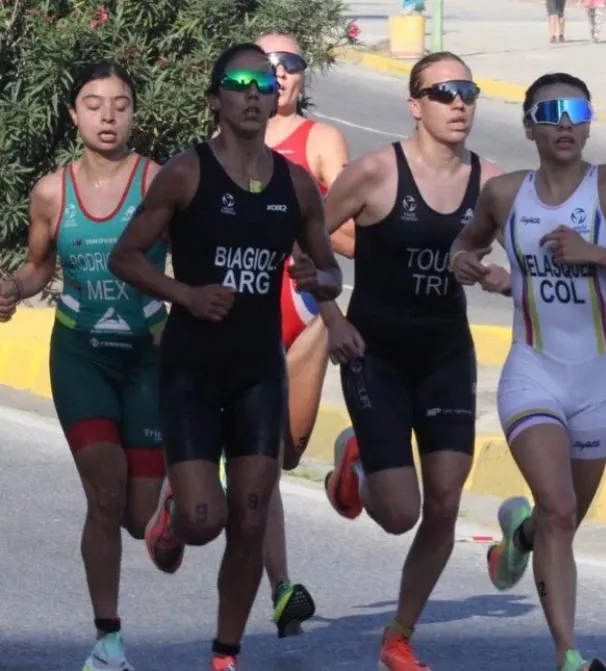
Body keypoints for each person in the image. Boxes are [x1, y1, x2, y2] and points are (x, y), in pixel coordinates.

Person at [107, 42, 343, 671]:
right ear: (216, 98)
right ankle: (175, 516)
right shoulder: (187, 173)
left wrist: (321, 282)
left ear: (275, 97)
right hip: (190, 365)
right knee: (206, 520)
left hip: (257, 370)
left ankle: (225, 653)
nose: (253, 93)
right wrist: (185, 293)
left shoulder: (295, 185)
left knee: (250, 516)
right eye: (238, 83)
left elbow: (329, 270)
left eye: (264, 83)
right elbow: (124, 256)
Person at [450, 72, 606, 671]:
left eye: (576, 110)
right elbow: (464, 246)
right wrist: (467, 265)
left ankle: (517, 539)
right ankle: (569, 655)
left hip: (598, 382)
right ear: (529, 125)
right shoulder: (504, 195)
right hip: (533, 373)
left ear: (587, 121)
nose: (564, 123)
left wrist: (595, 253)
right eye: (550, 112)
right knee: (558, 507)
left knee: (562, 521)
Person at [315, 51, 504, 671]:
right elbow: (304, 242)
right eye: (443, 92)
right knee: (401, 514)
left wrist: (499, 276)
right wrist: (334, 318)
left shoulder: (493, 184)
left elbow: (529, 263)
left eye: (467, 92)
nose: (458, 103)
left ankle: (399, 633)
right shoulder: (374, 173)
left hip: (447, 352)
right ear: (415, 104)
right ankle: (358, 462)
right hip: (376, 354)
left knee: (445, 502)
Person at [0, 60, 167, 671]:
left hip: (149, 360)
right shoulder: (51, 190)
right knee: (105, 492)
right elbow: (39, 266)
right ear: (73, 115)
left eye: (120, 104)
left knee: (139, 520)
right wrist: (12, 289)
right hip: (80, 357)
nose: (107, 116)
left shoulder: (160, 184)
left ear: (133, 114)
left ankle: (177, 493)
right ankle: (107, 638)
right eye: (93, 104)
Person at [231, 29, 355, 639]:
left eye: (290, 64)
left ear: (304, 76)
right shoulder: (221, 146)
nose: (277, 74)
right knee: (257, 467)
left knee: (286, 454)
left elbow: (361, 232)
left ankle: (343, 471)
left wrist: (313, 231)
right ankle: (282, 590)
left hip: (303, 316)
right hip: (240, 321)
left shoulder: (321, 141)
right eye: (264, 65)